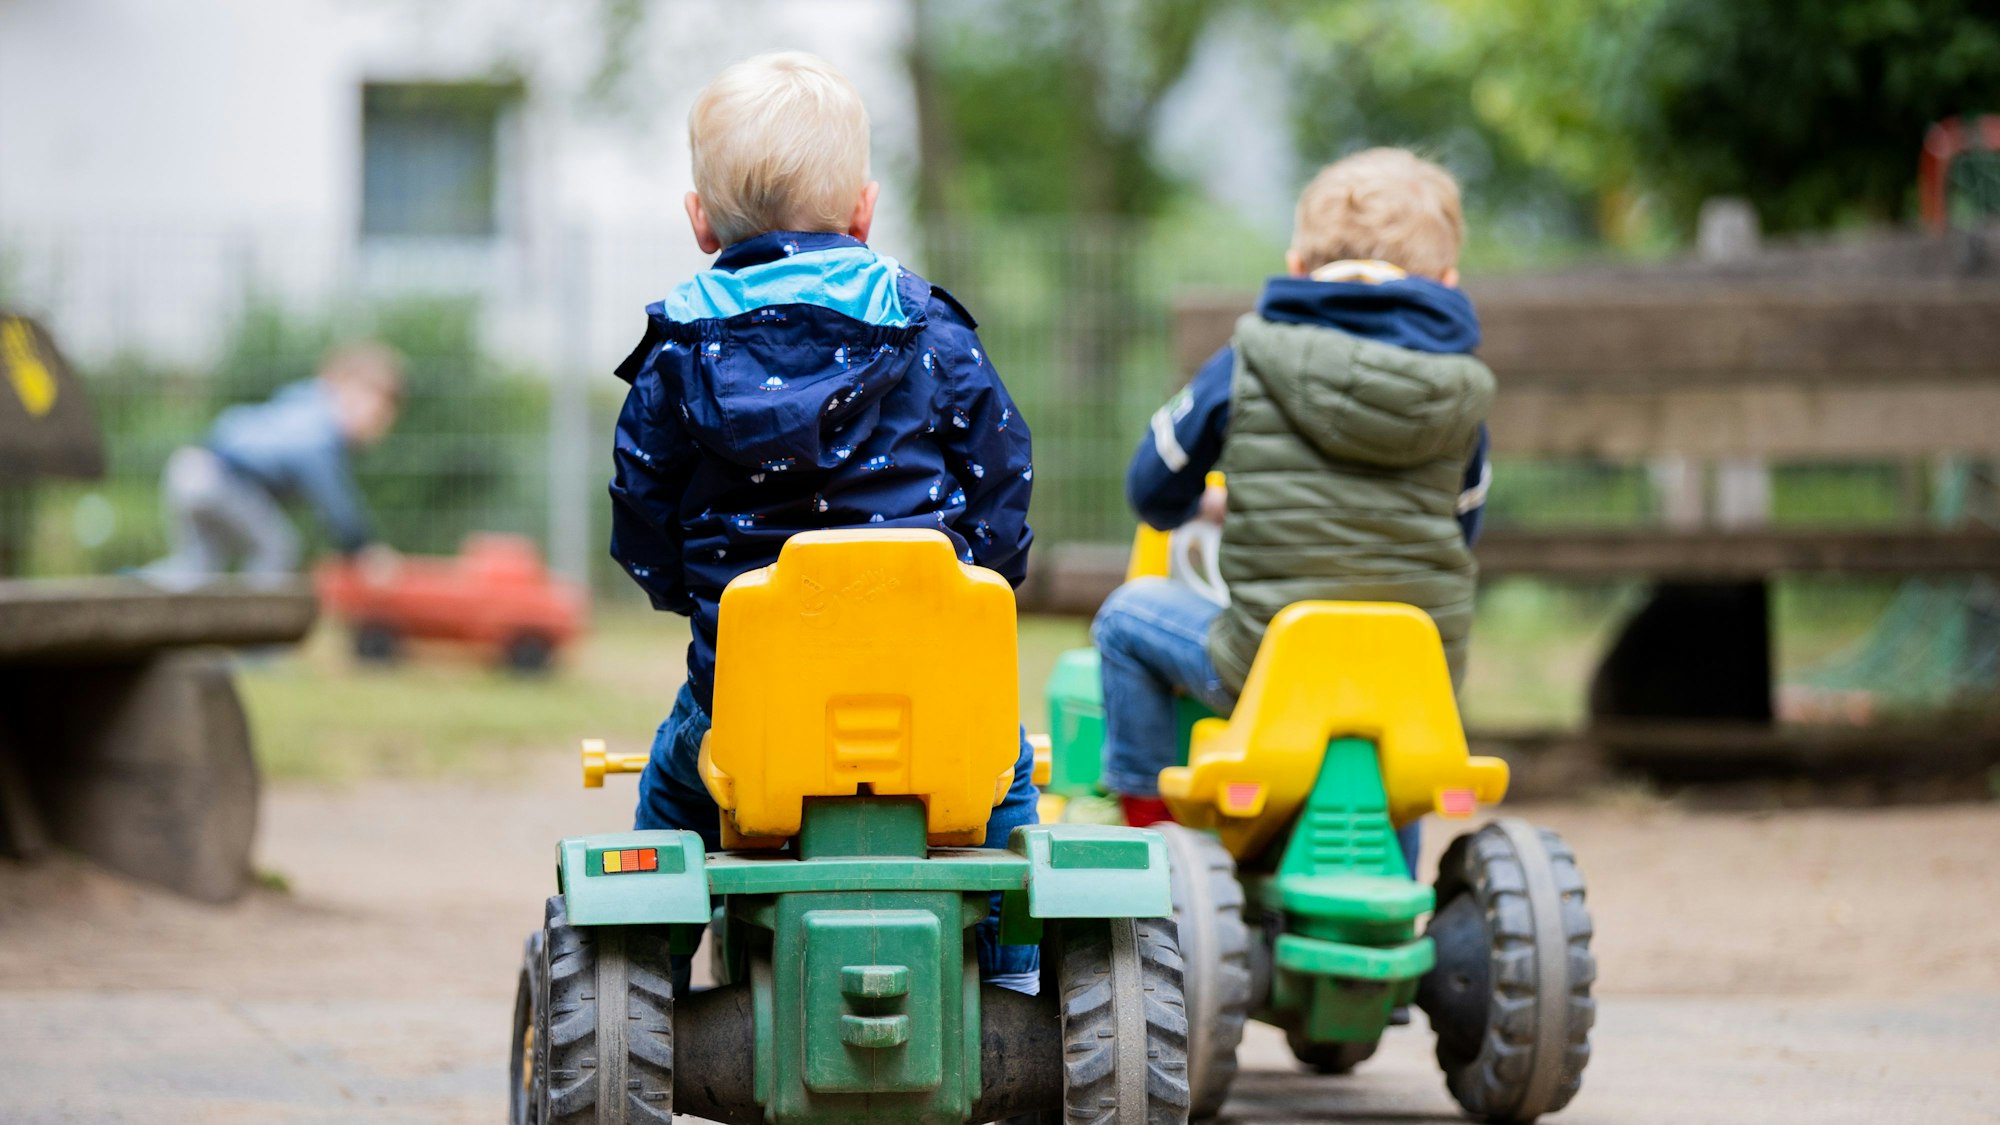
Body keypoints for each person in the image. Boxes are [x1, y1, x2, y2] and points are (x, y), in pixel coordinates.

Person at [607, 52, 1038, 990]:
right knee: (1007, 784)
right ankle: (1015, 980)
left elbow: (640, 510)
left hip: (749, 704)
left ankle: (643, 978)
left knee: (674, 787)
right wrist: (986, 580)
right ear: (863, 212)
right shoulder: (935, 335)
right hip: (934, 696)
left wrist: (688, 592)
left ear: (701, 222)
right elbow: (1003, 474)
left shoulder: (676, 357)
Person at [1093, 148, 1495, 853]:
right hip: (1413, 676)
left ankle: (1151, 829)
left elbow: (1151, 488)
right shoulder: (1462, 392)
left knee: (1125, 619)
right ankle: (1392, 885)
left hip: (1267, 663)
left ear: (1299, 267)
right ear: (1446, 282)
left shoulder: (1250, 359)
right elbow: (1461, 532)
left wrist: (1210, 504)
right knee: (1393, 723)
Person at [143, 342, 403, 587]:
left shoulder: (303, 400)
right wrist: (361, 548)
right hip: (219, 478)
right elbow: (333, 500)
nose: (379, 424)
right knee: (278, 549)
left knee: (198, 568)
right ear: (344, 385)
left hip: (189, 468)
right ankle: (256, 630)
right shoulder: (320, 428)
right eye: (377, 411)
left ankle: (134, 585)